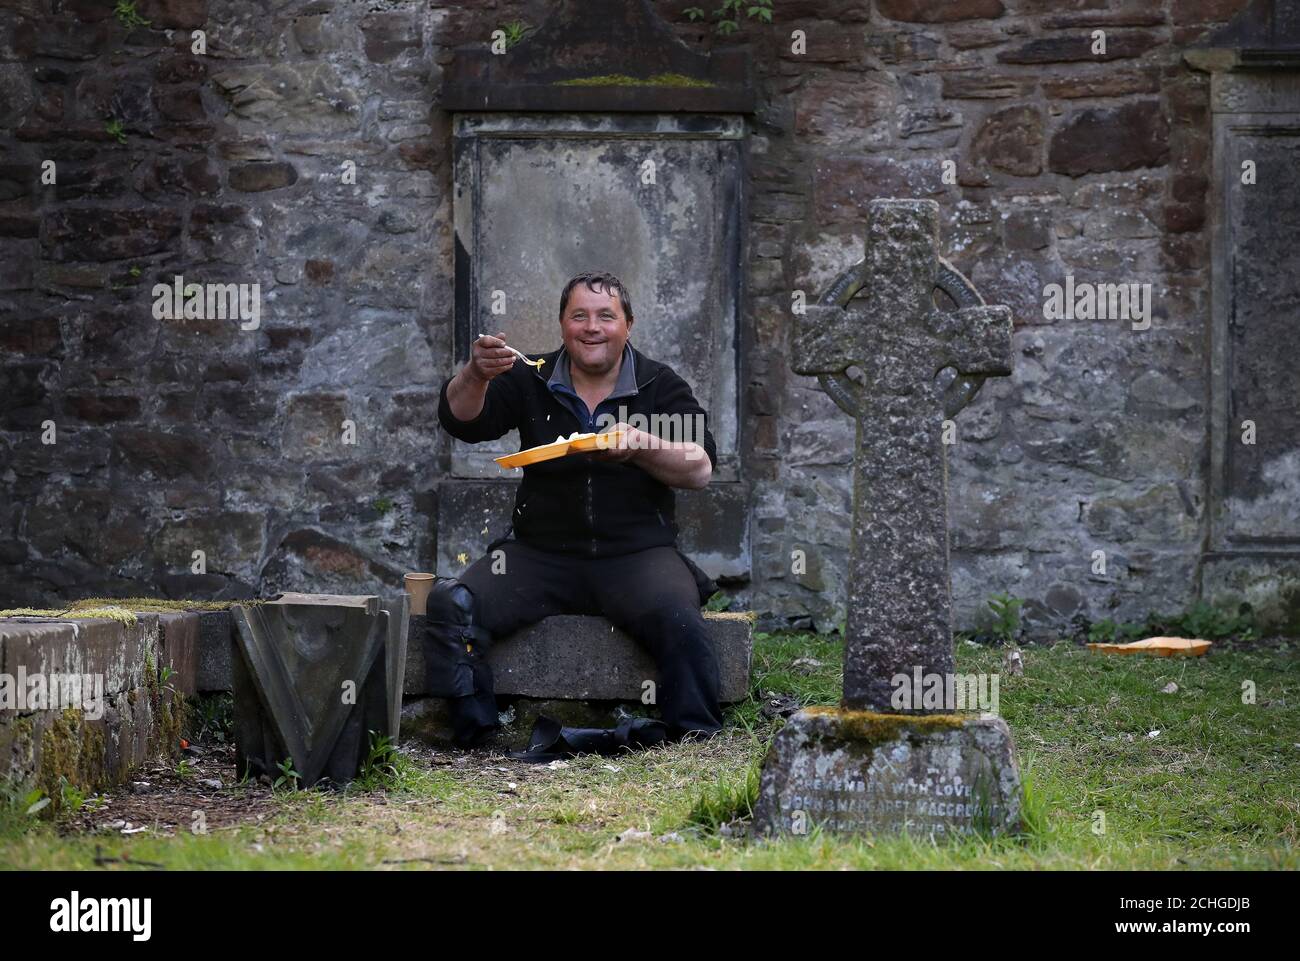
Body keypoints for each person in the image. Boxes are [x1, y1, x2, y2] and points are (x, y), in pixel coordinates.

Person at [427, 270, 724, 755]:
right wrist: (475, 374)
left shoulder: (659, 384)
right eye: (578, 316)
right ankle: (474, 736)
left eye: (606, 316)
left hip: (637, 552)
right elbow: (462, 421)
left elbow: (700, 468)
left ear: (628, 325)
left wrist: (641, 445)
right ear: (563, 325)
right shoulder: (531, 375)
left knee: (680, 617)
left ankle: (694, 737)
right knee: (453, 604)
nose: (592, 327)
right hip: (538, 552)